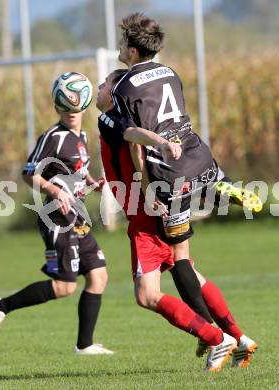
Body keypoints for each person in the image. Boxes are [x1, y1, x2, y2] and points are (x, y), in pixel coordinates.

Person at [97, 14, 258, 369]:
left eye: (100, 85)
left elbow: (134, 141)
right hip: (190, 162)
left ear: (133, 49)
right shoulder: (170, 73)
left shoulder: (118, 101)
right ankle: (235, 336)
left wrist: (149, 184)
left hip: (156, 192)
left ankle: (216, 337)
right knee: (186, 265)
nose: (98, 88)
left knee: (152, 289)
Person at [0, 72, 113, 356]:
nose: (70, 112)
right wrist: (56, 192)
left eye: (75, 106)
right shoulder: (53, 137)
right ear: (57, 107)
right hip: (56, 217)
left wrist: (92, 183)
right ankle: (0, 306)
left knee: (98, 276)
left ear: (85, 104)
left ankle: (85, 345)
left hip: (77, 217)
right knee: (65, 286)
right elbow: (29, 173)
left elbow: (77, 169)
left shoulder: (82, 136)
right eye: (64, 107)